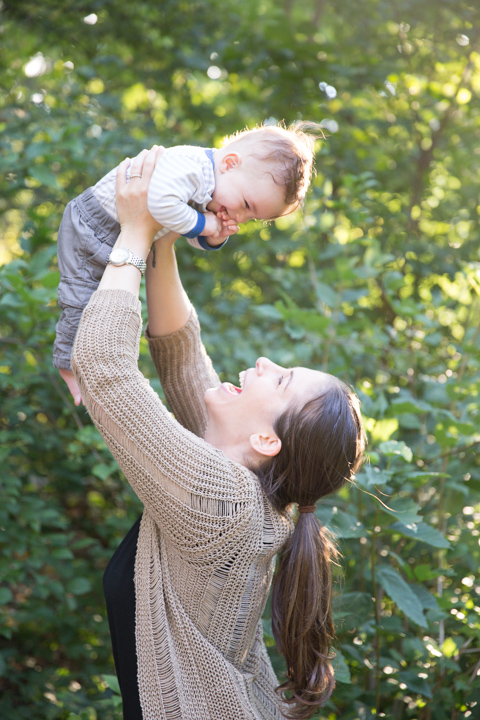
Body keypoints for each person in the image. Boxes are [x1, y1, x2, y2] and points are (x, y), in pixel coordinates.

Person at [70, 147, 365, 720]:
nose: (259, 362)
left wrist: (131, 234)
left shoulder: (221, 503)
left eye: (277, 380)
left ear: (267, 442)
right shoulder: (244, 483)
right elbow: (182, 357)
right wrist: (161, 232)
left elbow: (104, 370)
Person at [54, 121, 320, 402]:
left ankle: (90, 362)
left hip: (118, 232)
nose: (240, 218)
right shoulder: (191, 166)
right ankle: (67, 363)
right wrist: (206, 224)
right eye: (245, 205)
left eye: (251, 218)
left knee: (107, 304)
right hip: (92, 224)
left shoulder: (213, 183)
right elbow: (160, 205)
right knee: (81, 296)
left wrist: (215, 235)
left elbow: (183, 229)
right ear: (230, 163)